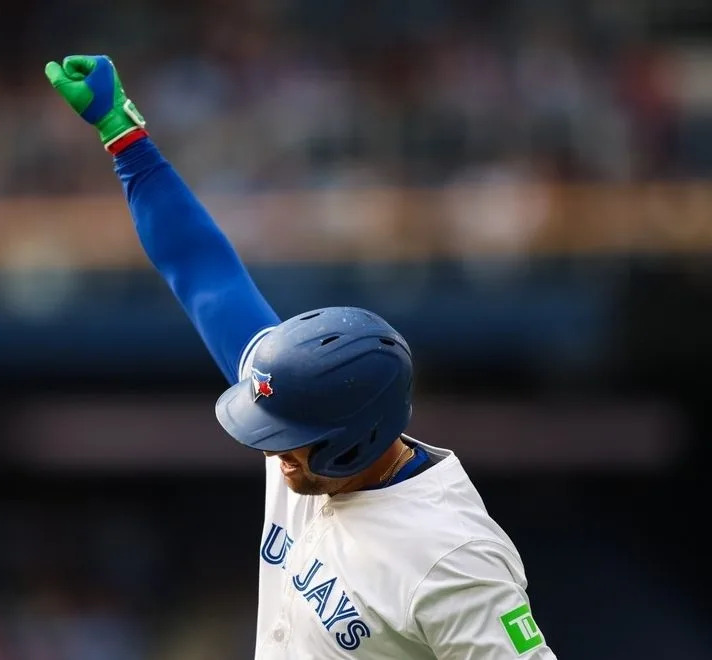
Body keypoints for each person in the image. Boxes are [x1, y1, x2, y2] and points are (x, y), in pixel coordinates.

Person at [45, 54, 557, 659]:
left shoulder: (454, 557)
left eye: (287, 438)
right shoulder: (299, 408)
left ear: (353, 439)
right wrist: (123, 135)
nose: (270, 448)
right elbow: (203, 273)